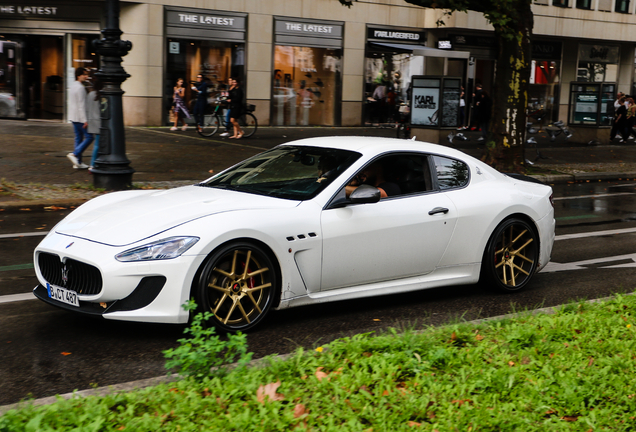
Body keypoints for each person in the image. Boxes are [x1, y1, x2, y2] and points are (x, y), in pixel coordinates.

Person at [66, 67, 92, 169]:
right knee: (89, 137)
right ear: (78, 75)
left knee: (78, 138)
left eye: (87, 74)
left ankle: (78, 162)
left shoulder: (73, 86)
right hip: (80, 117)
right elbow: (81, 105)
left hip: (73, 116)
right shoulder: (80, 88)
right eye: (84, 74)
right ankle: (75, 154)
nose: (86, 76)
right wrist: (85, 120)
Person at [86, 78, 103, 171]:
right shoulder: (101, 95)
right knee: (98, 144)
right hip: (99, 122)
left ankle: (95, 163)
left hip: (92, 121)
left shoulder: (90, 94)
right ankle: (92, 164)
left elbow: (86, 108)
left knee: (97, 142)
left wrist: (87, 120)